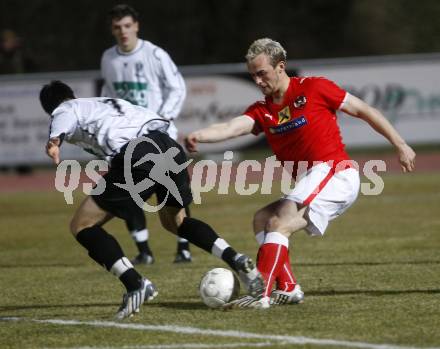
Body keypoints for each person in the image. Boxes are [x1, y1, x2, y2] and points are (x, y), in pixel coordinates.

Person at [185, 38, 416, 309]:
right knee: (262, 219)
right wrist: (201, 135)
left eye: (262, 73)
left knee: (281, 221)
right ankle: (289, 287)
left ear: (280, 67)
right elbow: (232, 126)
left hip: (334, 172)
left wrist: (400, 144)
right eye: (253, 76)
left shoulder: (315, 87)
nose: (258, 81)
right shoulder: (263, 110)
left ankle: (261, 293)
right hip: (314, 179)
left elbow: (364, 110)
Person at [39, 80, 264, 319]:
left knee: (82, 225)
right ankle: (236, 258)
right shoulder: (105, 103)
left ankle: (135, 284)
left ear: (50, 109)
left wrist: (54, 142)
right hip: (167, 147)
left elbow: (63, 116)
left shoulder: (66, 109)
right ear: (72, 92)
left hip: (137, 155)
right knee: (175, 222)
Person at [100, 4, 190, 265]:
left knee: (172, 191)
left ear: (136, 26)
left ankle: (183, 247)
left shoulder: (155, 55)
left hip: (159, 135)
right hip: (127, 138)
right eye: (117, 27)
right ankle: (144, 251)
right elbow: (110, 95)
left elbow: (177, 87)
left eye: (127, 26)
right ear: (112, 29)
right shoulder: (108, 58)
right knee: (128, 191)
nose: (123, 31)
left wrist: (161, 119)